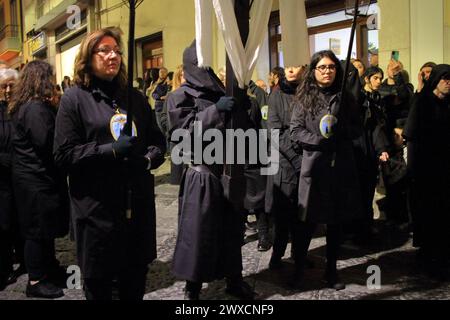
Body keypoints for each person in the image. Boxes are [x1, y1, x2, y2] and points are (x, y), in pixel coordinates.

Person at [53, 27, 166, 300]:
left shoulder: (135, 98)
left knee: (134, 281)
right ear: (88, 57)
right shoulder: (74, 99)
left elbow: (158, 142)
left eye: (116, 50)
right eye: (103, 50)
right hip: (96, 212)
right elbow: (63, 155)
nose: (112, 55)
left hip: (135, 209)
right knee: (99, 285)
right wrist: (109, 151)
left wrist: (147, 160)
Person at [168, 41, 254, 300]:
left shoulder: (221, 92)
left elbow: (243, 131)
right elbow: (182, 136)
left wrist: (243, 108)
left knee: (232, 230)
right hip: (202, 174)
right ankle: (192, 287)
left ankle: (234, 279)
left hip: (229, 169)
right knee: (198, 234)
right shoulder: (180, 96)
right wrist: (216, 112)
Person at [290, 50, 363, 290]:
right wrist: (319, 141)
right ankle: (297, 269)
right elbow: (296, 130)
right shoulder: (304, 98)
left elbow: (357, 129)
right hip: (315, 169)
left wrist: (344, 131)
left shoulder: (346, 98)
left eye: (331, 67)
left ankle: (331, 271)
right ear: (313, 71)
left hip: (339, 169)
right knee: (306, 223)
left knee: (335, 224)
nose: (327, 71)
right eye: (322, 67)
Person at [8, 61, 69, 299]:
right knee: (36, 230)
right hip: (35, 180)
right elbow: (46, 142)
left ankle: (49, 268)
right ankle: (36, 280)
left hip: (34, 177)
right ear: (41, 80)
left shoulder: (27, 105)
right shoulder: (34, 108)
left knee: (45, 228)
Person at [403, 64, 450, 279]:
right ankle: (428, 254)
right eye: (444, 78)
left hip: (444, 169)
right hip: (425, 169)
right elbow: (411, 134)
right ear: (436, 80)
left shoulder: (448, 103)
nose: (448, 82)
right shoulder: (422, 102)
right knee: (427, 212)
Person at [266, 65, 304, 270]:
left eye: (295, 66)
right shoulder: (276, 95)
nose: (291, 70)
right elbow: (274, 132)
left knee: (303, 214)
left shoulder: (307, 92)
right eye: (287, 66)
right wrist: (296, 160)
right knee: (283, 216)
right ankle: (276, 257)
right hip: (286, 164)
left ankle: (299, 255)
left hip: (306, 161)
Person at [352, 66, 390, 244]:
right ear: (366, 79)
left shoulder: (376, 99)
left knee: (367, 191)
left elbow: (376, 127)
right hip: (357, 150)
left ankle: (365, 228)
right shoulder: (357, 98)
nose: (378, 81)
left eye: (380, 78)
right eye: (375, 78)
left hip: (369, 150)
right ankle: (358, 229)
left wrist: (381, 148)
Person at [0, 68, 26, 290]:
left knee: (22, 221)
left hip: (23, 177)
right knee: (4, 224)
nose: (8, 90)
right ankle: (6, 266)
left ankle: (26, 261)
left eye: (11, 85)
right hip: (2, 181)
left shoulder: (23, 109)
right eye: (4, 86)